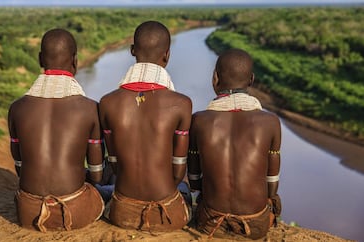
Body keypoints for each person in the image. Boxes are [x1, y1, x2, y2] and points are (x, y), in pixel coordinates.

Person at [99, 20, 192, 233]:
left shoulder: (107, 102)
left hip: (122, 211)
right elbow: (178, 173)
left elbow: (114, 165)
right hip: (167, 213)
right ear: (167, 55)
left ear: (132, 50)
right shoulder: (182, 104)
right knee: (184, 186)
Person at [8, 28, 104, 232]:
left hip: (28, 211)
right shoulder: (89, 108)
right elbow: (96, 176)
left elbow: (19, 168)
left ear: (40, 59)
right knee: (110, 180)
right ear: (75, 61)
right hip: (74, 209)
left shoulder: (17, 108)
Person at [187, 48, 282, 240]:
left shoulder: (199, 120)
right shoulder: (270, 122)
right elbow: (272, 185)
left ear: (215, 78)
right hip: (255, 224)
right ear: (251, 79)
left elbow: (195, 182)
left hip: (211, 221)